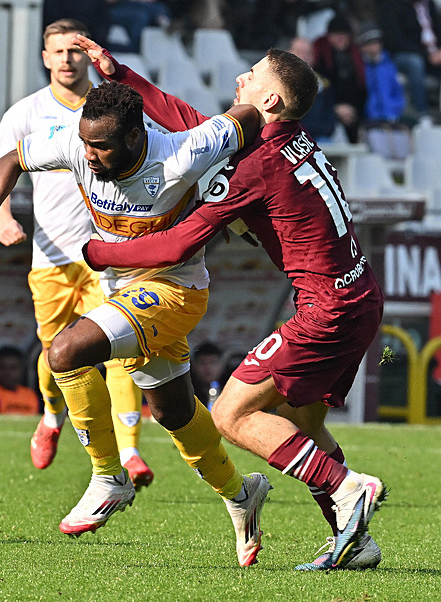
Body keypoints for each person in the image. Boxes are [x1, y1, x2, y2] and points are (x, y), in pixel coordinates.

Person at [79, 36, 388, 571]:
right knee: (302, 426)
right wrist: (121, 76)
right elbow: (190, 121)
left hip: (327, 308)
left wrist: (100, 251)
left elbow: (177, 244)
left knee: (231, 413)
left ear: (268, 102)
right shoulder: (286, 140)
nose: (241, 80)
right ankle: (355, 540)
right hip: (359, 297)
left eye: (252, 75)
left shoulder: (255, 166)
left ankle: (347, 487)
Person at [0, 80, 273, 567]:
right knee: (173, 414)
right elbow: (11, 159)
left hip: (175, 291)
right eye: (86, 143)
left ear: (137, 137)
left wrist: (227, 194)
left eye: (101, 146)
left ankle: (107, 477)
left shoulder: (183, 152)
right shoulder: (77, 144)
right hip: (123, 291)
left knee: (65, 351)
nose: (90, 155)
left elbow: (247, 118)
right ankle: (241, 492)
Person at [0, 18, 154, 488]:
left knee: (122, 351)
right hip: (51, 256)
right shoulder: (26, 112)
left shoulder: (111, 109)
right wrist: (3, 221)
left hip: (107, 255)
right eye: (57, 52)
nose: (67, 60)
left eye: (75, 51)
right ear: (45, 58)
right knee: (54, 351)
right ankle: (51, 417)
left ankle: (130, 451)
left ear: (87, 55)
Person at [378, 0, 441, 124]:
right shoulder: (392, 6)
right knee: (415, 63)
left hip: (433, 54)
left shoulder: (430, 5)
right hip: (404, 55)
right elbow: (395, 41)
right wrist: (427, 55)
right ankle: (422, 114)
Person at [312, 13, 368, 143]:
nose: (341, 38)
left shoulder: (356, 58)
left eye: (344, 35)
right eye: (337, 34)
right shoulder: (319, 56)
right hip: (327, 113)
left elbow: (361, 87)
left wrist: (353, 111)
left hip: (353, 113)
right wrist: (336, 109)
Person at [357, 23, 410, 159]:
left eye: (376, 43)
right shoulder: (359, 67)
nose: (374, 47)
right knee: (380, 156)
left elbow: (398, 92)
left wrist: (395, 109)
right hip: (371, 122)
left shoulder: (389, 66)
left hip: (393, 119)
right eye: (369, 44)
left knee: (403, 155)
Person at [288, 36, 338, 143]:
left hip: (320, 138)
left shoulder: (324, 84)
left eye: (308, 53)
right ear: (288, 53)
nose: (304, 56)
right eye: (299, 52)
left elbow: (330, 121)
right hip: (289, 138)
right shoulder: (277, 83)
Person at [0, 345, 40, 415]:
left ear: (22, 369)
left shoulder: (30, 395)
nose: (7, 373)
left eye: (13, 368)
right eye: (2, 367)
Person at [190, 341, 223, 410]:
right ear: (194, 366)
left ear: (221, 365)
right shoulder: (189, 391)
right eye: (203, 363)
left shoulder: (229, 388)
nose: (208, 367)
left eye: (213, 363)